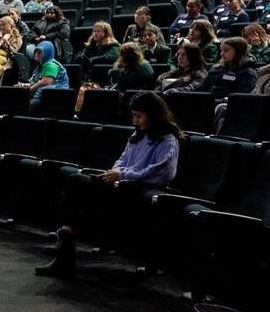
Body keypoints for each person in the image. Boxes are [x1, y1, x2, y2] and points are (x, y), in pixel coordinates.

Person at [35, 91, 184, 278]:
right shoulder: (137, 136)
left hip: (138, 192)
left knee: (75, 185)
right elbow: (122, 160)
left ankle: (65, 247)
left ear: (153, 115)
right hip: (121, 186)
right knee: (73, 187)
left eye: (139, 116)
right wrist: (113, 174)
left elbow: (162, 172)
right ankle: (65, 242)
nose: (135, 121)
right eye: (134, 116)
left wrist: (122, 175)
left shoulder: (167, 139)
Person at [181, 36, 257, 98]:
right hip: (208, 104)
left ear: (238, 52)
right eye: (221, 50)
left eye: (226, 50)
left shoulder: (247, 72)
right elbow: (201, 88)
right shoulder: (216, 69)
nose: (221, 54)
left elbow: (241, 97)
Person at [21, 40, 70, 110]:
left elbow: (45, 82)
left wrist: (28, 90)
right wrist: (25, 85)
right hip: (43, 95)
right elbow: (37, 82)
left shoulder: (51, 65)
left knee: (24, 107)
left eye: (40, 52)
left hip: (54, 98)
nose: (37, 54)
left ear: (46, 53)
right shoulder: (40, 67)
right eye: (36, 52)